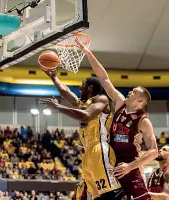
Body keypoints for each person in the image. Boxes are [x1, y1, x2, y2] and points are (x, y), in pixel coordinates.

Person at [75, 38, 158, 200]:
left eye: (133, 91)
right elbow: (104, 79)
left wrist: (131, 166)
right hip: (110, 160)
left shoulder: (143, 121)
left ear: (140, 101)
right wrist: (89, 54)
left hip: (129, 164)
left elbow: (154, 151)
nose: (129, 92)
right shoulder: (120, 103)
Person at [40, 71, 124, 199]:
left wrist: (57, 106)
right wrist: (54, 77)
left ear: (90, 88)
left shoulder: (101, 99)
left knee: (110, 191)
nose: (80, 87)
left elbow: (86, 116)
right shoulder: (83, 104)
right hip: (88, 152)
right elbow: (65, 92)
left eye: (83, 84)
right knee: (95, 195)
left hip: (99, 148)